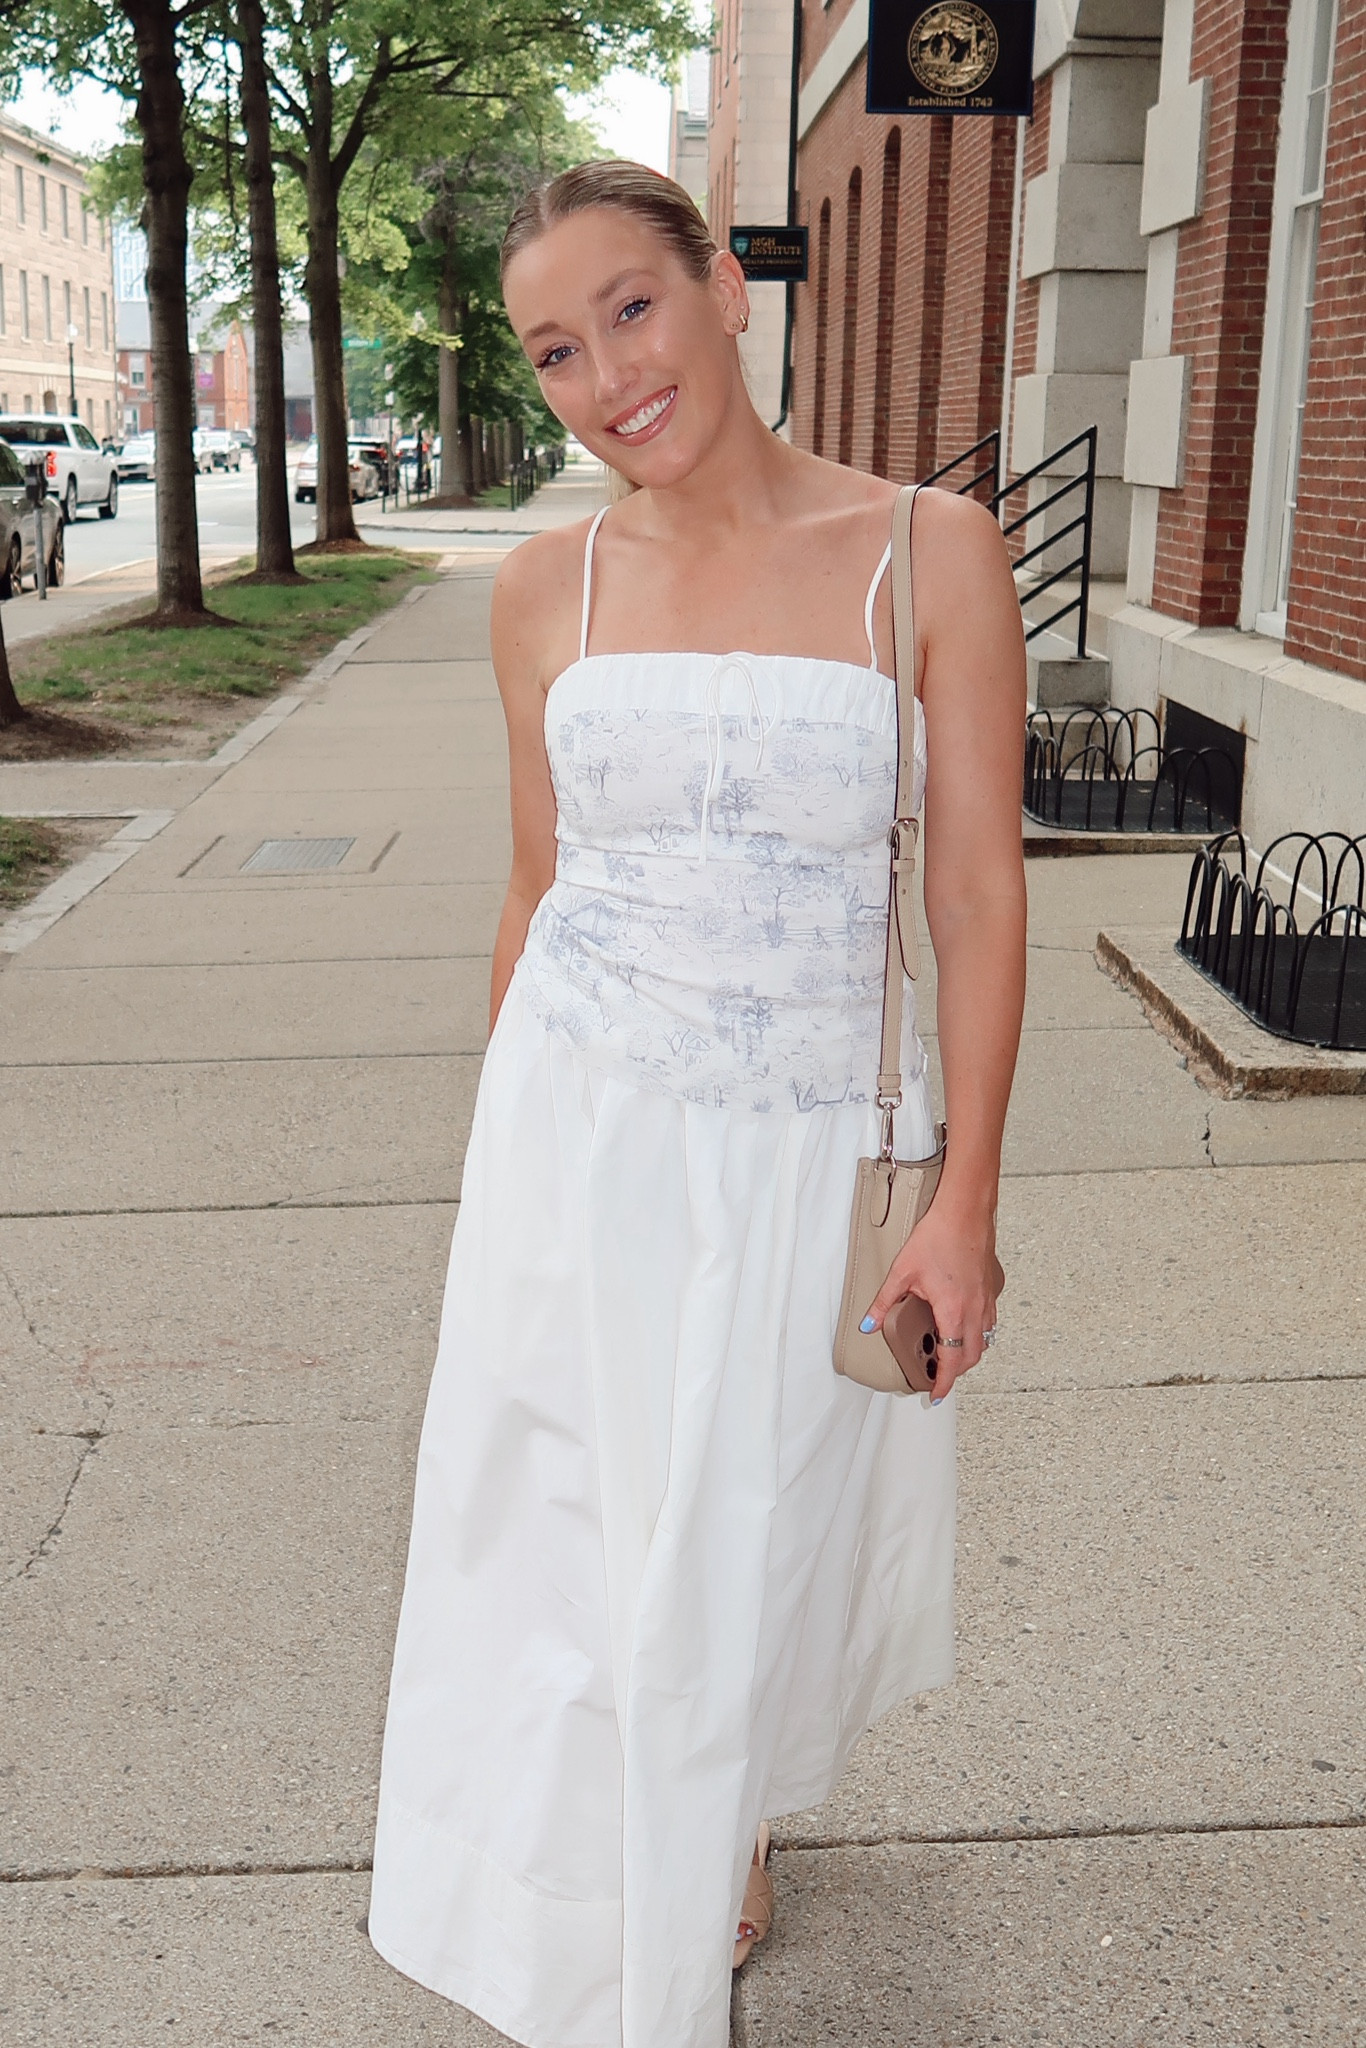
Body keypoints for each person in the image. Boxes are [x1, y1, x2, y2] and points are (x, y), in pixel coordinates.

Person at [369, 160, 1027, 2048]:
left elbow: (976, 893)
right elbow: (532, 883)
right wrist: (500, 1162)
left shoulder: (926, 548)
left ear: (727, 288)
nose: (603, 380)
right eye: (555, 351)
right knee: (572, 1543)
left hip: (808, 1132)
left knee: (744, 1535)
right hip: (577, 1133)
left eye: (630, 313)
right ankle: (607, 1916)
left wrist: (961, 1199)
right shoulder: (543, 586)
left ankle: (721, 1810)